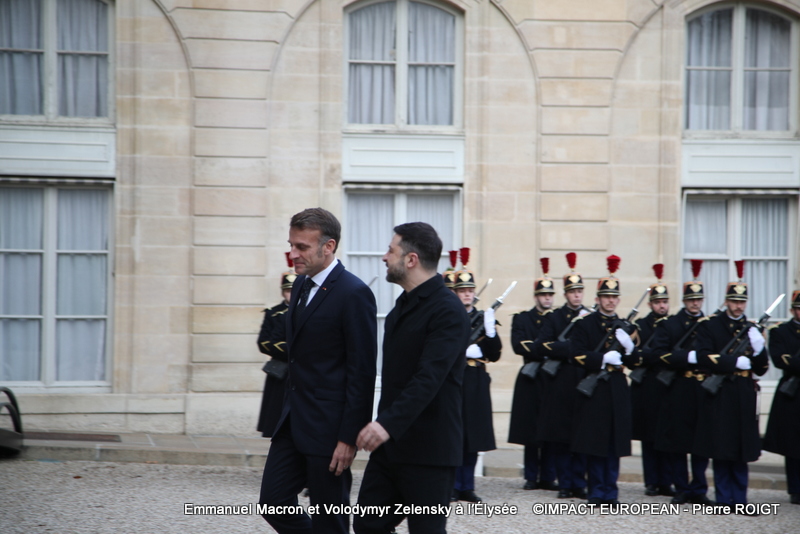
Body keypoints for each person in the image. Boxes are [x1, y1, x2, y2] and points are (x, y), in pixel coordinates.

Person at [259, 208, 378, 534]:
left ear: (329, 246)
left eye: (302, 247)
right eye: (291, 245)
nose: (293, 254)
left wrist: (348, 437)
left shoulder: (354, 293)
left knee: (330, 519)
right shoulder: (300, 284)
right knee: (272, 503)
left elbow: (362, 372)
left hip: (329, 429)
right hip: (291, 421)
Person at [354, 222, 469, 534]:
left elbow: (429, 378)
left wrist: (385, 424)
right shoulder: (401, 308)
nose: (384, 257)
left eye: (390, 250)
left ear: (411, 259)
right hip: (391, 449)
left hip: (430, 451)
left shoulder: (447, 310)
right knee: (367, 525)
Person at [693, 260, 768, 508]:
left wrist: (759, 349)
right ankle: (723, 498)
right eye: (734, 301)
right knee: (721, 446)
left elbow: (762, 368)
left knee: (742, 448)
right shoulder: (711, 326)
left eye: (742, 302)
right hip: (722, 392)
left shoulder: (751, 329)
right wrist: (734, 362)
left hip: (744, 393)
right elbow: (703, 356)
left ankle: (741, 499)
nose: (738, 306)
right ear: (726, 301)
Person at [569, 255, 637, 505]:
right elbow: (576, 354)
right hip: (595, 388)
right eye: (606, 296)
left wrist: (629, 348)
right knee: (596, 442)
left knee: (614, 443)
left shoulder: (626, 327)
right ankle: (597, 491)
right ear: (598, 299)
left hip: (616, 387)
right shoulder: (585, 324)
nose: (610, 300)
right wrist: (600, 358)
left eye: (614, 297)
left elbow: (636, 361)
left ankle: (611, 491)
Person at [650, 259, 714, 506]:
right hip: (679, 387)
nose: (695, 303)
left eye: (699, 299)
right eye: (691, 299)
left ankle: (699, 488)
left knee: (701, 441)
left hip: (703, 387)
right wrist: (686, 358)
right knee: (678, 442)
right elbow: (659, 354)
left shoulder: (710, 325)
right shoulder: (670, 324)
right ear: (685, 301)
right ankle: (682, 487)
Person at [532, 252, 589, 498]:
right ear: (565, 294)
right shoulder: (555, 318)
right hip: (562, 381)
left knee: (581, 436)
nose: (577, 295)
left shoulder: (590, 317)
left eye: (580, 291)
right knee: (562, 437)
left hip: (584, 380)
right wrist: (569, 349)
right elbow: (541, 345)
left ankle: (579, 483)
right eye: (573, 291)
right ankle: (565, 483)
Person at [452, 247, 502, 503]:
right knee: (455, 435)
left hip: (476, 380)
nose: (467, 294)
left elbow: (495, 354)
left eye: (470, 290)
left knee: (473, 436)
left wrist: (491, 333)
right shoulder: (449, 316)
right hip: (455, 379)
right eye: (463, 290)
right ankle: (452, 485)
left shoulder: (483, 318)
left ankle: (467, 486)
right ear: (455, 293)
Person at [508, 257, 557, 492]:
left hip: (552, 377)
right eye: (543, 294)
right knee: (530, 430)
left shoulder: (558, 319)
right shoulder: (523, 318)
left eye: (550, 295)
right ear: (536, 296)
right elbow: (519, 345)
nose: (547, 298)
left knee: (550, 429)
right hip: (531, 377)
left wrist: (539, 347)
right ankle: (531, 476)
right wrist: (546, 348)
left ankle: (548, 476)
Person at [630, 264, 674, 497]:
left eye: (665, 302)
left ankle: (666, 481)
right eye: (658, 302)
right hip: (647, 386)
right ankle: (652, 481)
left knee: (666, 435)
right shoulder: (641, 326)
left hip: (667, 386)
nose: (662, 306)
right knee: (648, 437)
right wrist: (654, 357)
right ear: (650, 304)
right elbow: (634, 356)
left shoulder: (673, 324)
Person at [762, 289, 800, 505]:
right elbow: (781, 360)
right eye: (799, 309)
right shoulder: (780, 331)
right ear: (792, 310)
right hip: (792, 392)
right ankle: (795, 488)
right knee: (792, 444)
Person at [256, 253, 295, 438]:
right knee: (277, 421)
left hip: (302, 372)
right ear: (282, 292)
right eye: (288, 291)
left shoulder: (309, 312)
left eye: (294, 290)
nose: (291, 294)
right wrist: (292, 350)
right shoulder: (273, 313)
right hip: (281, 372)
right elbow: (264, 343)